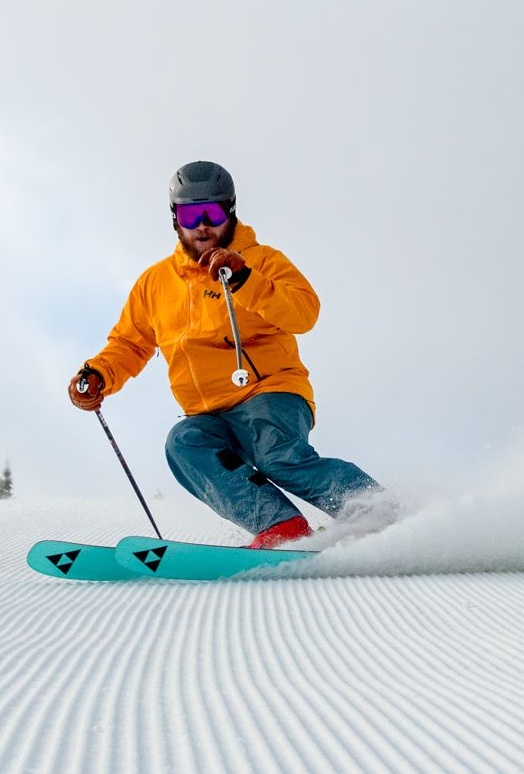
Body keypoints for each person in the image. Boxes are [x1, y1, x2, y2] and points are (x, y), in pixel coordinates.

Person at [68, 160, 383, 549]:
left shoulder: (263, 261)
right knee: (184, 444)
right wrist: (98, 373)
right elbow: (130, 344)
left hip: (269, 392)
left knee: (277, 456)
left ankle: (376, 510)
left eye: (212, 213)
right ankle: (280, 527)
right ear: (174, 219)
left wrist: (245, 279)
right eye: (189, 214)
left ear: (230, 212)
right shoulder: (155, 283)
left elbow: (304, 313)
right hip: (207, 413)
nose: (202, 224)